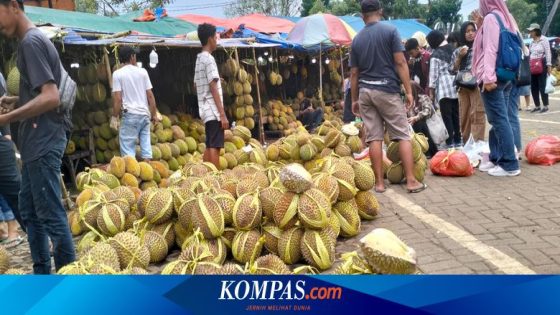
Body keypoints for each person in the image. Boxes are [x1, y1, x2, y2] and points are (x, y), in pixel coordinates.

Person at [0, 0, 76, 273]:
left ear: (12, 6)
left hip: (44, 138)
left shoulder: (31, 42)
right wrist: (16, 99)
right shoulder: (30, 42)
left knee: (50, 213)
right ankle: (42, 272)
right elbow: (40, 93)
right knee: (31, 211)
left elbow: (51, 96)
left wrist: (7, 118)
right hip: (37, 140)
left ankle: (69, 280)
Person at [350, 0, 426, 194]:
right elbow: (400, 62)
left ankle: (379, 184)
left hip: (366, 92)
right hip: (387, 90)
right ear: (380, 11)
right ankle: (410, 180)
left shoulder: (357, 39)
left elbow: (354, 74)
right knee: (402, 134)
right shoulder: (390, 31)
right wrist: (409, 91)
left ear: (362, 15)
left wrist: (354, 99)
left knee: (374, 137)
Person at [472, 0, 521, 176]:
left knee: (499, 120)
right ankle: (496, 157)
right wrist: (480, 27)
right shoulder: (505, 17)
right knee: (500, 119)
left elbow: (491, 49)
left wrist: (488, 78)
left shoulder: (491, 18)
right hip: (506, 75)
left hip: (494, 78)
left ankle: (509, 164)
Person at [111, 46, 159, 160]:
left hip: (130, 117)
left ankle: (133, 175)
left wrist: (114, 116)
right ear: (132, 57)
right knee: (146, 150)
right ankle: (149, 173)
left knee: (128, 153)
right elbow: (150, 96)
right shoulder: (143, 72)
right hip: (144, 116)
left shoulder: (117, 74)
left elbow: (118, 99)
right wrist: (154, 115)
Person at [194, 23, 229, 169]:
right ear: (210, 39)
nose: (217, 40)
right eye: (216, 37)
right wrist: (222, 114)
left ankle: (206, 175)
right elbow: (213, 87)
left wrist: (215, 82)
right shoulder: (209, 59)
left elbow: (196, 84)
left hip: (205, 108)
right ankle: (214, 178)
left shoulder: (199, 58)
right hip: (213, 110)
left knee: (210, 144)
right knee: (215, 146)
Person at [450, 21, 486, 143]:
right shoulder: (459, 50)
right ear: (463, 34)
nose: (470, 33)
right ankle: (466, 143)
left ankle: (477, 143)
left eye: (472, 30)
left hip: (476, 85)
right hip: (462, 86)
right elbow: (452, 70)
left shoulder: (480, 47)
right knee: (464, 116)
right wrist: (460, 57)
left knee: (477, 114)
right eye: (467, 31)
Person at [427, 30, 462, 148]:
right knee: (456, 114)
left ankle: (450, 141)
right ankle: (458, 139)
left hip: (443, 88)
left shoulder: (435, 54)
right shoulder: (454, 49)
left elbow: (433, 76)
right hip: (455, 86)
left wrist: (431, 92)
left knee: (446, 115)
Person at [408, 83, 438, 158]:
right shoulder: (408, 100)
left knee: (419, 123)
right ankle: (420, 151)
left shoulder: (423, 97)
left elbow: (428, 111)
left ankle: (428, 150)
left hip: (427, 123)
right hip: (413, 126)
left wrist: (416, 117)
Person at [527, 23, 552, 113]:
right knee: (533, 86)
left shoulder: (544, 40)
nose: (530, 32)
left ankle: (545, 105)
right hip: (533, 65)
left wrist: (549, 65)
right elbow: (530, 54)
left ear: (536, 31)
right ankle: (537, 105)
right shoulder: (531, 42)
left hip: (542, 63)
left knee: (542, 85)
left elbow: (548, 52)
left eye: (531, 31)